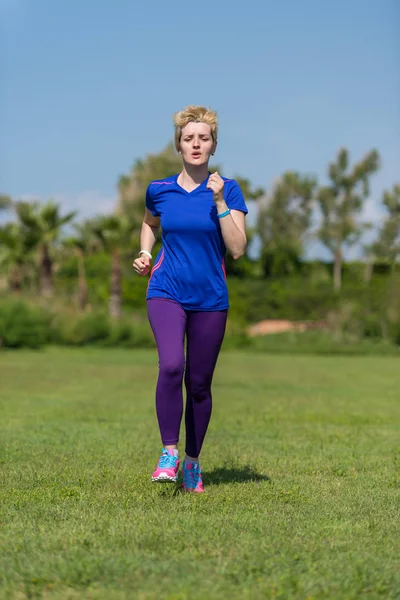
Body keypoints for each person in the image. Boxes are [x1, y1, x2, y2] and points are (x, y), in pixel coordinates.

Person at [133, 105, 248, 492]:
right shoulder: (159, 190)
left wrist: (218, 203)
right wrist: (146, 252)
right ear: (178, 145)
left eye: (203, 138)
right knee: (170, 367)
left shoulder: (228, 189)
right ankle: (168, 452)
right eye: (189, 138)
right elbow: (149, 224)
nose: (196, 144)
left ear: (214, 145)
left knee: (199, 384)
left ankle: (192, 462)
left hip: (211, 299)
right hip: (165, 290)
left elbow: (237, 249)